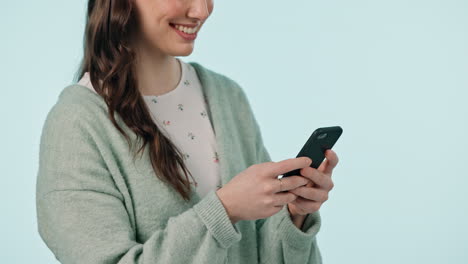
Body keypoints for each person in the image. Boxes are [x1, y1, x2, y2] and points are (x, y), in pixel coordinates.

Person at [35, 0, 339, 263]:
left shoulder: (227, 97)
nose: (202, 10)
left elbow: (259, 252)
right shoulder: (76, 123)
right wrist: (225, 209)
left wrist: (293, 213)